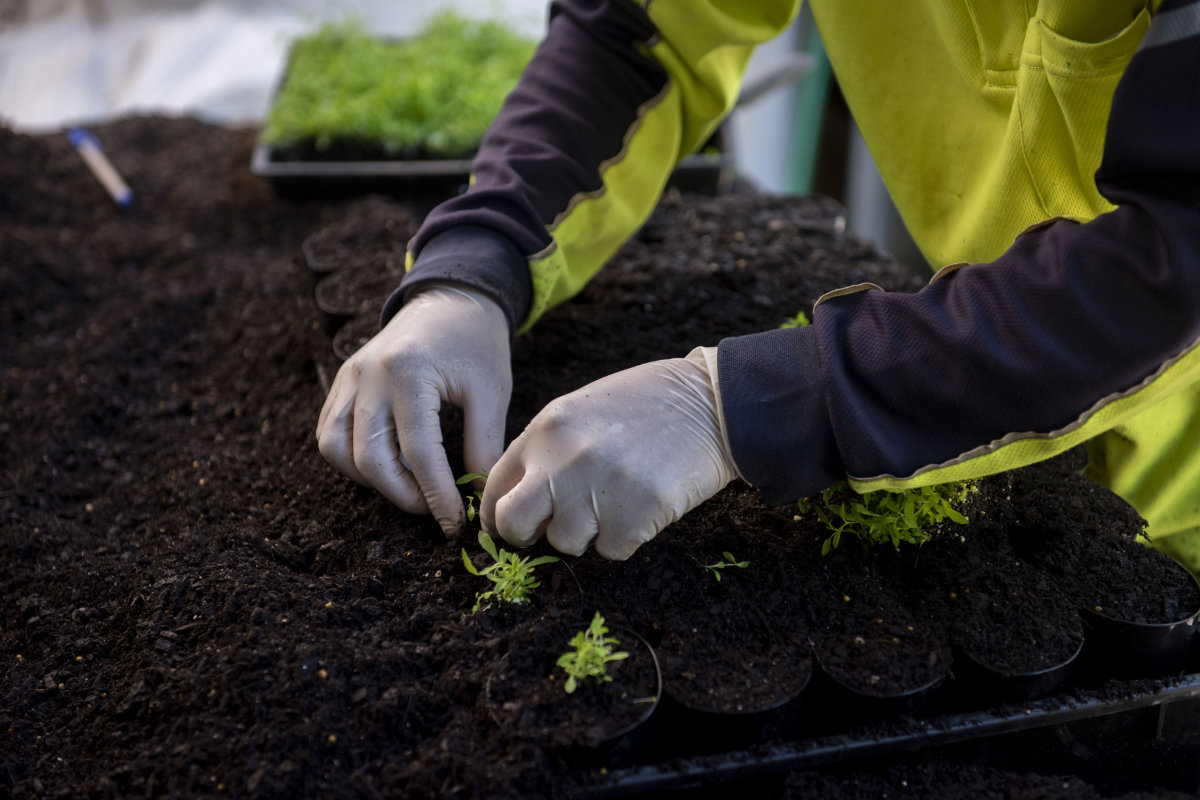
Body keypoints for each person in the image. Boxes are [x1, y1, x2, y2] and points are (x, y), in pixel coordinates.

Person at [316, 0, 1200, 573]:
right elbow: (637, 33)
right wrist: (474, 265)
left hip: (1179, 514)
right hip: (966, 398)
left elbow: (1180, 249)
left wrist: (740, 407)